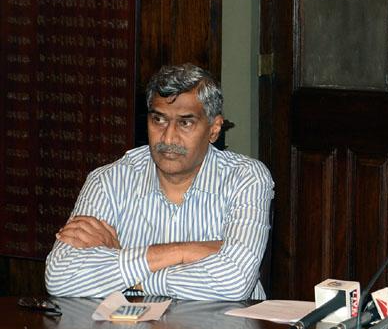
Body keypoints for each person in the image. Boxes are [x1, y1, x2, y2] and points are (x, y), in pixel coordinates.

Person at [44, 63, 274, 301]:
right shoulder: (108, 180)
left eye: (185, 122)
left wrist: (124, 264)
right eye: (159, 120)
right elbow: (60, 277)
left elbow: (234, 283)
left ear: (214, 129)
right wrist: (182, 252)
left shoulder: (246, 178)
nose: (168, 137)